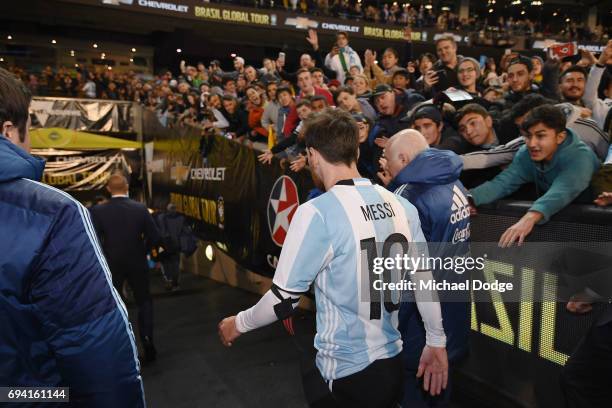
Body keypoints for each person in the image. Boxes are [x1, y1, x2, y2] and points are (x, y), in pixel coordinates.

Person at [219, 108, 449, 407]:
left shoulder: (317, 212)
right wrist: (436, 340)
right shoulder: (401, 205)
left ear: (313, 155)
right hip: (392, 363)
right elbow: (423, 280)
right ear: (355, 149)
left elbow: (282, 301)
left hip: (345, 374)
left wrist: (238, 323)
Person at [0, 67, 145, 405]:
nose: (32, 140)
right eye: (30, 129)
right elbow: (97, 356)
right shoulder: (52, 213)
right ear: (9, 130)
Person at [380, 130, 471, 408]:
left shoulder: (408, 197)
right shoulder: (454, 181)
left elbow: (404, 276)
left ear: (404, 158)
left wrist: (387, 328)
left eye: (387, 159)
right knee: (440, 385)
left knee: (416, 390)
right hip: (454, 314)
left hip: (420, 327)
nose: (384, 166)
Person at [470, 105, 600, 247]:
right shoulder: (526, 153)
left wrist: (530, 217)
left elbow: (563, 190)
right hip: (558, 224)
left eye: (540, 136)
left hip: (597, 229)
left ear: (560, 137)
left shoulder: (581, 156)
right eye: (528, 136)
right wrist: (471, 198)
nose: (532, 144)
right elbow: (503, 182)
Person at [91, 173, 162, 363]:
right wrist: (143, 249)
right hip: (137, 261)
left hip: (112, 263)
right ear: (127, 187)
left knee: (115, 305)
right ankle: (147, 341)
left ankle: (120, 348)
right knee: (144, 301)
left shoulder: (98, 211)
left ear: (108, 189)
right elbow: (155, 237)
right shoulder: (140, 209)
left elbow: (94, 240)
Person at [156, 203, 188, 291]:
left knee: (166, 263)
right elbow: (184, 232)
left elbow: (160, 232)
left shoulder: (161, 218)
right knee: (176, 264)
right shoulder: (181, 219)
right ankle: (175, 283)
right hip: (176, 245)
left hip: (165, 245)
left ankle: (168, 280)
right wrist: (184, 247)